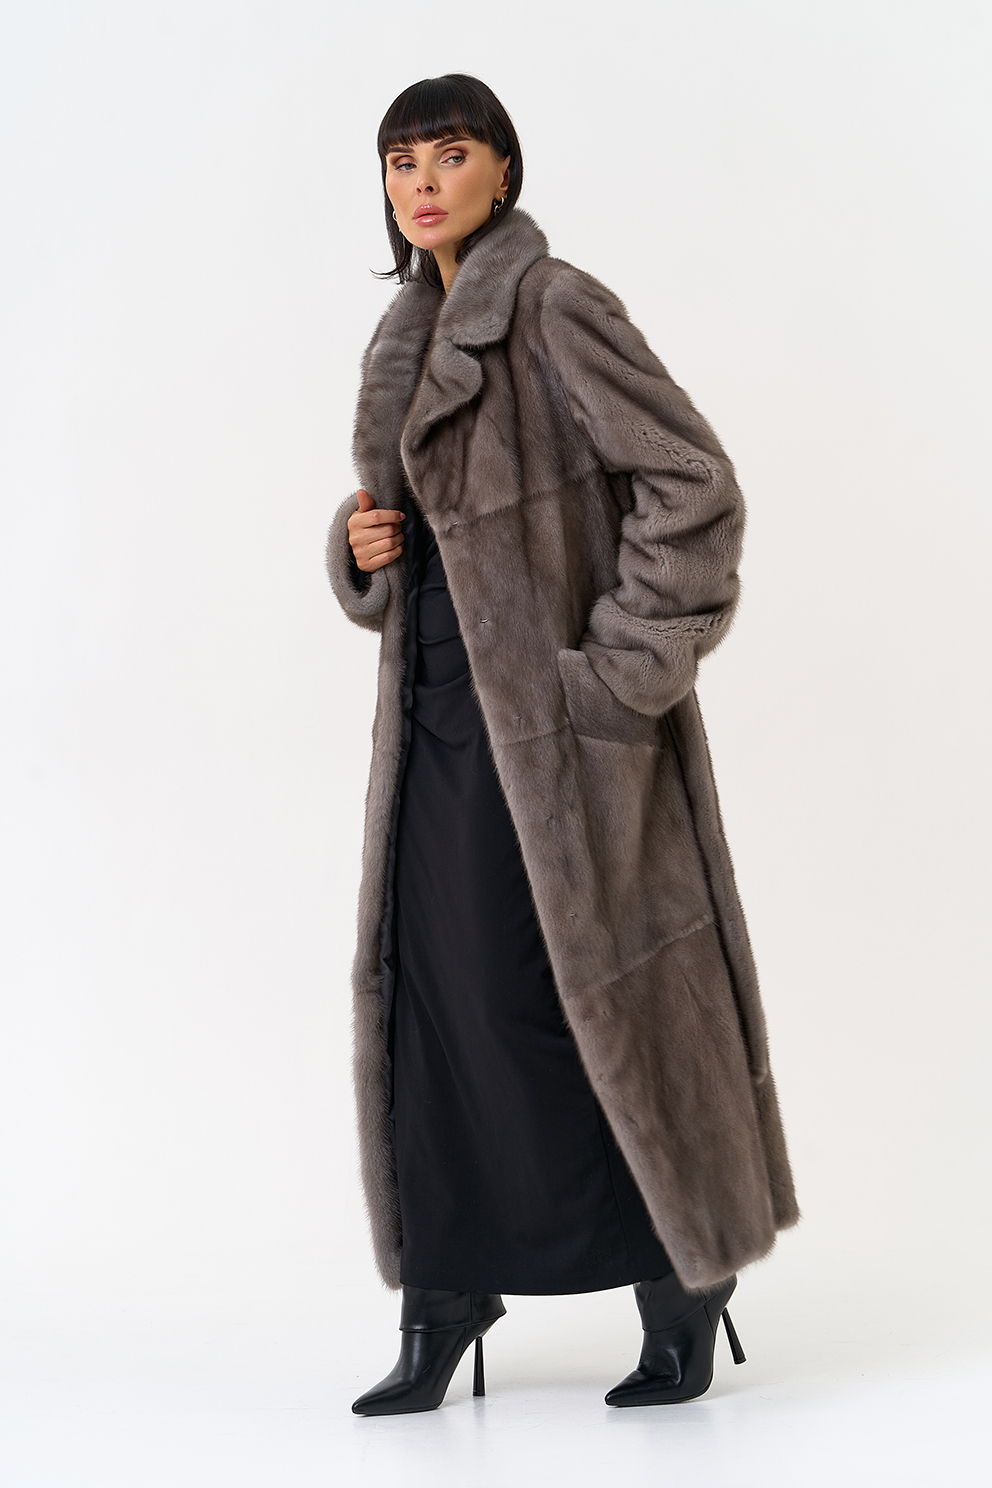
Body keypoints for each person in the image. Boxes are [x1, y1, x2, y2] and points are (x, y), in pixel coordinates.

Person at [327, 74, 798, 1417]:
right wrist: (361, 550)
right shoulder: (405, 337)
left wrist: (619, 673)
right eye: (401, 162)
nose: (423, 183)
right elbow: (421, 543)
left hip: (558, 736)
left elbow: (694, 488)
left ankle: (680, 1280)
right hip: (434, 722)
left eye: (450, 155)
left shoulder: (555, 305)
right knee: (440, 1006)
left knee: (573, 1001)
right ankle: (446, 1294)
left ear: (503, 170)